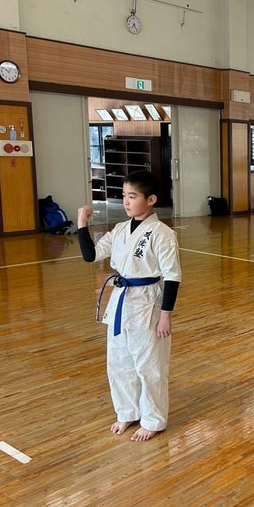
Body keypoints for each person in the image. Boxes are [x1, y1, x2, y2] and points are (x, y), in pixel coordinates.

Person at [77, 170, 181, 442]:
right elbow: (91, 255)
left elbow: (172, 276)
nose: (126, 201)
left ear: (151, 200)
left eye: (132, 196)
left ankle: (153, 420)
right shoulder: (120, 230)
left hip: (148, 301)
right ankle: (127, 412)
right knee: (119, 362)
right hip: (121, 301)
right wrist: (81, 223)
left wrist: (165, 316)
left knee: (149, 365)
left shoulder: (162, 233)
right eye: (124, 195)